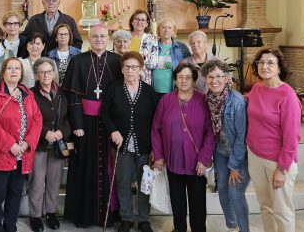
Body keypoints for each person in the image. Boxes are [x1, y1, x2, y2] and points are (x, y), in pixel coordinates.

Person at [62, 24, 123, 227]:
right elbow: (72, 95)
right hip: (85, 124)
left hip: (109, 124)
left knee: (109, 168)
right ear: (89, 39)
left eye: (103, 36)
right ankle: (84, 214)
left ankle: (111, 213)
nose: (99, 39)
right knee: (84, 167)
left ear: (108, 38)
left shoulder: (116, 61)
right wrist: (77, 123)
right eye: (95, 36)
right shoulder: (78, 61)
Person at [152, 62, 215, 232]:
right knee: (177, 202)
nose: (184, 80)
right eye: (181, 77)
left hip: (197, 164)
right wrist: (158, 155)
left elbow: (211, 132)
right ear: (175, 80)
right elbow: (156, 128)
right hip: (173, 160)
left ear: (194, 80)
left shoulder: (203, 99)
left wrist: (204, 159)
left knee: (198, 205)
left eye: (188, 77)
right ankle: (179, 228)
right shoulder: (166, 99)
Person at [101, 52, 160, 232]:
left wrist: (155, 147)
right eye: (127, 66)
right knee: (123, 182)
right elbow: (104, 113)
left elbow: (157, 120)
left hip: (144, 146)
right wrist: (113, 130)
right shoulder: (114, 88)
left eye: (134, 67)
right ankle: (126, 218)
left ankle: (143, 219)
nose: (130, 70)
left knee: (144, 184)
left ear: (141, 69)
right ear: (122, 69)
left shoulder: (149, 91)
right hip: (121, 145)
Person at [0, 57, 42, 232]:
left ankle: (10, 227)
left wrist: (27, 143)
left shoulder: (27, 93)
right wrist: (10, 145)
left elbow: (37, 119)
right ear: (3, 72)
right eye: (10, 68)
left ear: (22, 73)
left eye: (17, 68)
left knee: (15, 194)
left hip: (22, 154)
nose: (14, 71)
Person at [247, 49, 301, 232]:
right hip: (255, 156)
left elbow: (292, 137)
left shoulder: (288, 95)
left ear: (279, 68)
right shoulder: (256, 88)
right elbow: (247, 103)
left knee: (282, 211)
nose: (265, 66)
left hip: (277, 163)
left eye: (270, 63)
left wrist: (282, 169)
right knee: (266, 207)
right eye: (261, 63)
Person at [202, 59, 250, 232]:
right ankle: (233, 226)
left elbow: (242, 137)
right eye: (210, 76)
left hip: (240, 154)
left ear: (227, 78)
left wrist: (235, 165)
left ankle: (244, 230)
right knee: (222, 189)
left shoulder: (237, 102)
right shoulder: (208, 99)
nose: (214, 80)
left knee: (235, 194)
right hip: (221, 151)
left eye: (219, 76)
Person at [28, 57, 71, 231]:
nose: (46, 75)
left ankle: (51, 213)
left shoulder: (61, 93)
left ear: (54, 73)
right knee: (37, 182)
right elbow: (29, 119)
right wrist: (46, 133)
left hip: (58, 145)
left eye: (49, 71)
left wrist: (62, 132)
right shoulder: (30, 93)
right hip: (39, 144)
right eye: (42, 72)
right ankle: (35, 216)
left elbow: (68, 117)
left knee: (54, 182)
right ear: (36, 75)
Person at [154, 18, 191, 94]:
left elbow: (190, 66)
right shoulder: (152, 46)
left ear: (173, 31)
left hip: (174, 89)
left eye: (170, 28)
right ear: (158, 30)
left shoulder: (181, 47)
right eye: (163, 27)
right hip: (154, 90)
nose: (166, 30)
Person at [129, 9, 158, 85]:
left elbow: (154, 63)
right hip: (125, 76)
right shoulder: (125, 37)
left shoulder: (152, 39)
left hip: (143, 78)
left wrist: (135, 64)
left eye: (143, 20)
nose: (139, 22)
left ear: (147, 24)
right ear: (132, 21)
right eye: (137, 19)